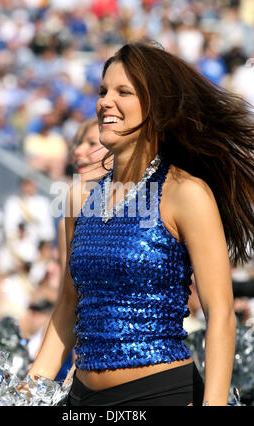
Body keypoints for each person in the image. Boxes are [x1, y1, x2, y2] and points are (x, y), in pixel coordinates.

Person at [28, 41, 254, 406]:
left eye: (123, 92)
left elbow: (221, 315)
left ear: (155, 106)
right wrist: (29, 389)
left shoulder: (186, 193)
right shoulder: (77, 198)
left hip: (161, 393)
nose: (104, 102)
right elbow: (68, 307)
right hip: (81, 399)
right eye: (103, 91)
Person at [56, 118, 112, 274]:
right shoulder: (67, 224)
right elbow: (68, 292)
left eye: (92, 143)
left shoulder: (152, 207)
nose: (77, 151)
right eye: (78, 144)